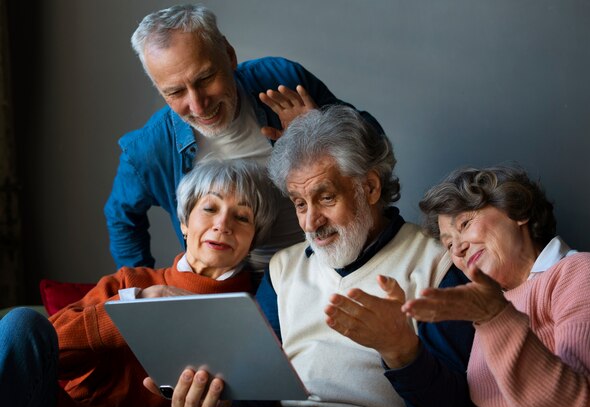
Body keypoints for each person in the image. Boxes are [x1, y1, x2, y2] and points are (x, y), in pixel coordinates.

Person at [155, 106, 475, 407]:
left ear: (370, 187)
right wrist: (216, 402)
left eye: (325, 198)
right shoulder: (282, 269)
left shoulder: (437, 262)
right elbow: (259, 393)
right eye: (299, 203)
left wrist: (401, 350)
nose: (310, 222)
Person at [104, 4, 383, 274]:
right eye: (175, 92)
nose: (199, 105)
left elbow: (376, 144)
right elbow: (121, 218)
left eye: (205, 78)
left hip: (327, 261)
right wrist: (138, 288)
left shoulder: (281, 79)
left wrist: (321, 130)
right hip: (236, 284)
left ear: (229, 54)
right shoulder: (149, 149)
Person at [0, 158, 278, 407]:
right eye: (209, 208)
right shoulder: (131, 282)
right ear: (184, 222)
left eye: (242, 217)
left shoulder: (259, 308)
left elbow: (268, 396)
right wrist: (132, 306)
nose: (222, 225)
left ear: (254, 239)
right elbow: (45, 355)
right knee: (20, 322)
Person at [402, 165, 590, 407]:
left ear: (517, 210)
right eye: (449, 244)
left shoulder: (583, 272)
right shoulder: (495, 304)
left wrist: (495, 317)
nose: (458, 250)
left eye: (465, 224)